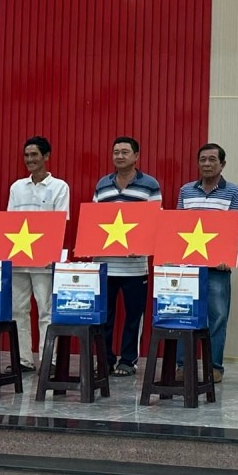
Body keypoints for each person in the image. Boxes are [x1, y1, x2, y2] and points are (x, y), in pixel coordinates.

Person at [92, 136, 162, 377]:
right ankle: (105, 359)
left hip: (135, 266)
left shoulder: (149, 184)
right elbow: (94, 222)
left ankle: (128, 360)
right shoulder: (102, 184)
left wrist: (142, 244)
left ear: (136, 156)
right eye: (115, 152)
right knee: (104, 316)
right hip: (105, 264)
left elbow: (156, 221)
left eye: (124, 152)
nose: (119, 156)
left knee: (134, 316)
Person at [175, 143, 238, 384]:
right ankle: (183, 365)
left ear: (222, 164)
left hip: (218, 267)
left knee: (217, 317)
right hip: (188, 267)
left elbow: (233, 229)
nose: (207, 164)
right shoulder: (186, 191)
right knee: (184, 314)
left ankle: (214, 366)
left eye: (212, 159)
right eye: (202, 159)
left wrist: (226, 257)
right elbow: (178, 228)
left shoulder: (233, 192)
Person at [6, 136, 70, 372]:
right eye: (26, 155)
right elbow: (9, 223)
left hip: (44, 260)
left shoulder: (60, 187)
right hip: (19, 259)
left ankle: (48, 360)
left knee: (46, 310)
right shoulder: (16, 187)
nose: (30, 159)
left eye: (34, 155)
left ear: (46, 157)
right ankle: (23, 359)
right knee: (17, 310)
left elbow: (61, 223)